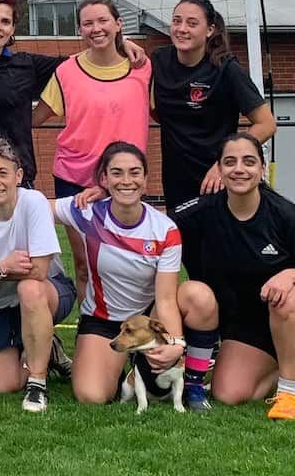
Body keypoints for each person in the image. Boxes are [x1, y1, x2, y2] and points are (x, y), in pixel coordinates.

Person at [0, 0, 143, 377]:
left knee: (32, 269)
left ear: (12, 30)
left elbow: (89, 59)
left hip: (15, 183)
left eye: (5, 21)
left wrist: (127, 43)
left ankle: (47, 343)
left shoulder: (29, 66)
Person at [172, 133, 295, 421]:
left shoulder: (289, 217)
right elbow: (153, 224)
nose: (239, 169)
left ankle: (288, 394)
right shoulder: (201, 212)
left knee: (287, 298)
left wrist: (290, 274)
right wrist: (107, 197)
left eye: (249, 162)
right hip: (250, 324)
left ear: (262, 169)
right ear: (219, 168)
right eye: (230, 162)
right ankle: (292, 364)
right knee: (228, 394)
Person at [53, 142, 216, 412]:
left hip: (146, 318)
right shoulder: (86, 210)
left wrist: (175, 343)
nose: (126, 181)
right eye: (116, 173)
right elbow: (30, 206)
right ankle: (123, 365)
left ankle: (193, 382)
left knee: (198, 295)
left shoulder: (165, 230)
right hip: (103, 319)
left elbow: (165, 298)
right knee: (91, 395)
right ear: (103, 179)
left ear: (145, 179)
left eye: (134, 172)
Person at [34, 0, 152, 298]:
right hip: (74, 179)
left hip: (123, 181)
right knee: (86, 264)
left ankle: (131, 334)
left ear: (118, 24)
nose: (96, 28)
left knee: (128, 264)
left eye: (103, 21)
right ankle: (90, 331)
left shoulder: (142, 67)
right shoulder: (67, 71)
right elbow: (34, 118)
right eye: (88, 23)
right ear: (80, 30)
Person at [0, 136, 76, 413]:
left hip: (50, 292)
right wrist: (1, 268)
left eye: (2, 173)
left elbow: (40, 271)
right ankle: (46, 348)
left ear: (18, 176)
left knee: (29, 288)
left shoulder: (34, 202)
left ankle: (37, 384)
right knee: (1, 385)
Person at [151, 0, 276, 213]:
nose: (181, 29)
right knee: (185, 245)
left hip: (218, 181)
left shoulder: (226, 69)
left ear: (210, 30)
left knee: (222, 244)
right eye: (176, 21)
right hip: (176, 181)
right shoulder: (159, 61)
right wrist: (124, 44)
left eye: (192, 23)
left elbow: (266, 124)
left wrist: (223, 163)